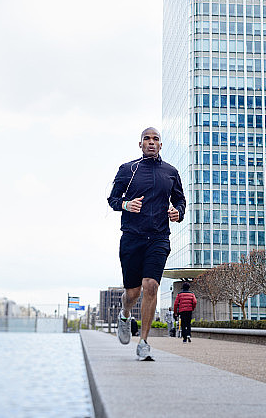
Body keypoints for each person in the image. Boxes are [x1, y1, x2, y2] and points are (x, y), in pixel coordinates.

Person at [107, 127, 186, 361]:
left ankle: (143, 342)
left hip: (159, 238)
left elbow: (180, 200)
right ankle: (125, 314)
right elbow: (113, 199)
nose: (151, 142)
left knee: (151, 285)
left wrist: (178, 212)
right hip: (132, 237)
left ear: (161, 145)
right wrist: (126, 204)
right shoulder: (127, 169)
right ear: (140, 144)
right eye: (147, 139)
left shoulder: (171, 172)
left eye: (156, 139)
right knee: (132, 293)